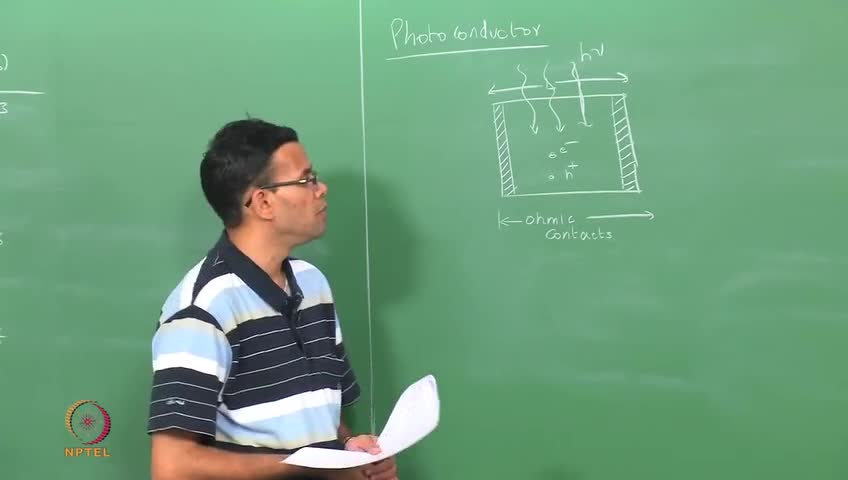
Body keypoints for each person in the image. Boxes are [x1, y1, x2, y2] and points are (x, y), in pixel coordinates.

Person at [146, 118, 398, 480]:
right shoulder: (202, 310)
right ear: (263, 202)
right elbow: (172, 467)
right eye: (306, 180)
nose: (321, 189)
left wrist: (348, 449)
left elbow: (321, 413)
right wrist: (312, 469)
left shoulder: (313, 284)